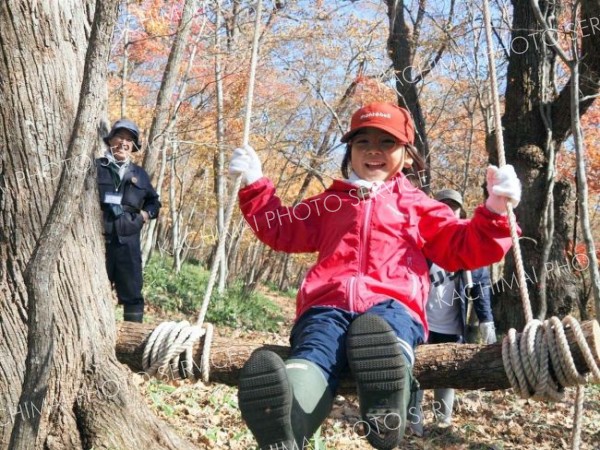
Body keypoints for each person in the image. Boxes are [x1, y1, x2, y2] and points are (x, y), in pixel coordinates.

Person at [229, 102, 521, 450]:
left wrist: (495, 212)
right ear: (350, 151)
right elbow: (283, 230)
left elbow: (464, 246)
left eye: (387, 143)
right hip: (326, 306)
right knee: (313, 351)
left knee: (384, 333)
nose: (373, 151)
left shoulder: (418, 205)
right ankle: (287, 424)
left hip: (393, 305)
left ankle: (388, 407)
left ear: (408, 156)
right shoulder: (330, 203)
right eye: (362, 142)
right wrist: (255, 186)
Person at [408, 188, 497, 437]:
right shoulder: (419, 243)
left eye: (453, 206)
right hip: (420, 323)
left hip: (452, 326)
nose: (448, 210)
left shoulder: (469, 248)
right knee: (414, 372)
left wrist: (486, 322)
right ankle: (412, 420)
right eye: (442, 205)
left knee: (445, 375)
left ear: (461, 212)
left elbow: (481, 287)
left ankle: (442, 422)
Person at [97, 119, 161, 322]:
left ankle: (132, 348)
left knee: (133, 294)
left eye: (129, 140)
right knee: (95, 292)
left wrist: (144, 215)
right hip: (98, 240)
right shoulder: (96, 167)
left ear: (133, 146)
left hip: (128, 241)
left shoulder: (140, 174)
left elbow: (154, 203)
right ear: (110, 140)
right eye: (120, 137)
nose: (124, 143)